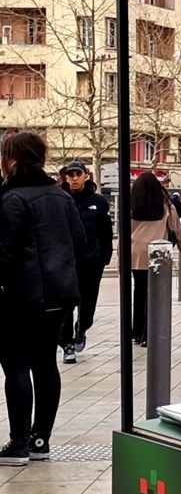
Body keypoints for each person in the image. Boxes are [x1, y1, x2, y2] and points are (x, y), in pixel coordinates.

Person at [0, 132, 86, 464]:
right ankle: (40, 440)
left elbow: (4, 253)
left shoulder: (12, 199)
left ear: (12, 159)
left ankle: (19, 442)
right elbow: (78, 242)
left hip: (22, 296)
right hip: (61, 293)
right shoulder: (60, 196)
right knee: (45, 363)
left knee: (16, 365)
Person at [58, 160, 113, 365]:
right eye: (70, 175)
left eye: (77, 174)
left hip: (92, 261)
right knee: (66, 304)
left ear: (85, 175)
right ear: (65, 177)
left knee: (88, 303)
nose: (73, 178)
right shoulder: (60, 199)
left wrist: (105, 255)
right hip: (66, 262)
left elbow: (106, 231)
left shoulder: (98, 202)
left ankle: (82, 327)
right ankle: (67, 344)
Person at [129, 171, 181, 348]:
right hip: (158, 252)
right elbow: (177, 231)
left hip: (135, 253)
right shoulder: (166, 206)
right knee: (153, 294)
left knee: (139, 291)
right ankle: (149, 332)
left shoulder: (131, 206)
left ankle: (137, 330)